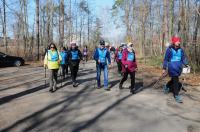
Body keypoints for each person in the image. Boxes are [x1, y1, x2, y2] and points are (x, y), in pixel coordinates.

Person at [162, 36, 189, 103]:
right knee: (176, 81)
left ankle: (166, 86)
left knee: (174, 79)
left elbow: (183, 58)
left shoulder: (181, 50)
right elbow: (166, 59)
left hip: (179, 67)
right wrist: (164, 68)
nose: (179, 42)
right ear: (174, 42)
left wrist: (186, 64)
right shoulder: (169, 49)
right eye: (177, 41)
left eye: (179, 41)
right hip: (172, 67)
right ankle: (176, 95)